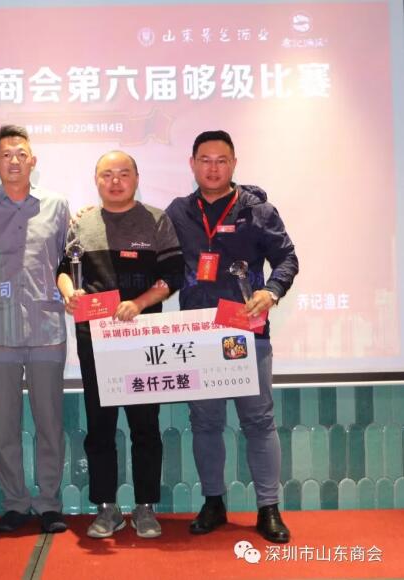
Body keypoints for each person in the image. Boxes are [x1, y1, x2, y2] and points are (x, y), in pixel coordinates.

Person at [165, 130, 299, 543]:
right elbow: (154, 254)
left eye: (221, 160)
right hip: (199, 333)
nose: (213, 168)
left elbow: (287, 258)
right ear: (192, 164)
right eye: (205, 160)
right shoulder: (178, 212)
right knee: (205, 422)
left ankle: (268, 508)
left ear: (234, 164)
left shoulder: (258, 211)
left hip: (246, 329)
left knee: (258, 421)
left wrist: (271, 291)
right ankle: (213, 502)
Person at [57, 151, 183, 539]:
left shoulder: (156, 220)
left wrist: (140, 303)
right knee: (100, 425)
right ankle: (106, 508)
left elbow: (173, 274)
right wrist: (69, 293)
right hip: (95, 338)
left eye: (123, 173)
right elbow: (64, 269)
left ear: (137, 178)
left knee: (145, 425)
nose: (115, 181)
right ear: (96, 180)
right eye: (107, 174)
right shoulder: (82, 223)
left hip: (143, 337)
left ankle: (145, 507)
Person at [0, 125, 70, 534]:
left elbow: (67, 263)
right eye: (6, 154)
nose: (13, 160)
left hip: (46, 328)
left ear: (33, 160)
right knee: (5, 424)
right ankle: (15, 503)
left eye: (21, 154)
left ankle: (49, 503)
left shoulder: (57, 206)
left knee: (50, 423)